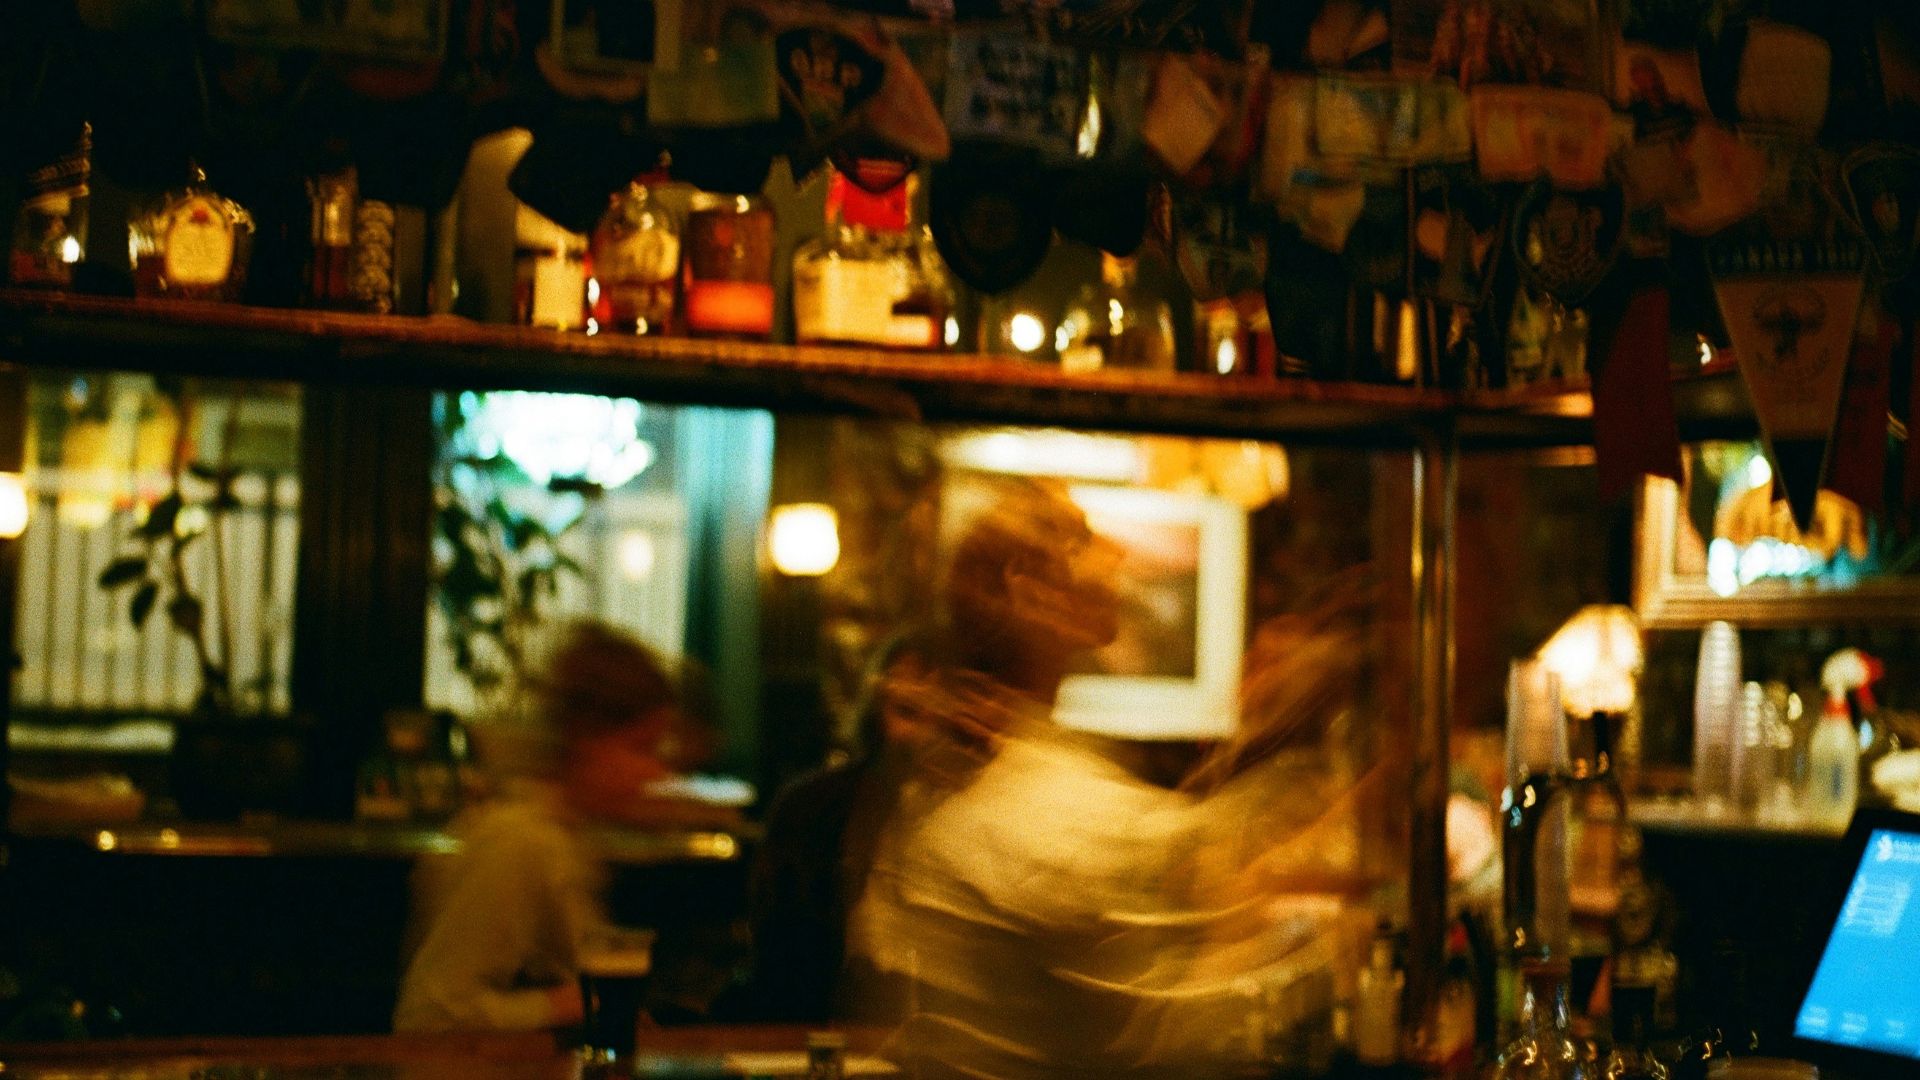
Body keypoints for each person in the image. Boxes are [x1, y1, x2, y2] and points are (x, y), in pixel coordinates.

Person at [844, 477, 1374, 1079]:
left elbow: (1169, 863)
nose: (1117, 555)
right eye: (1084, 541)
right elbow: (1172, 1023)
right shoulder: (1027, 797)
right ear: (1028, 589)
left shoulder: (1023, 770)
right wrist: (1333, 941)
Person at [393, 621, 681, 1033]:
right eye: (642, 748)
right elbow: (428, 1017)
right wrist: (569, 1006)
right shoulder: (518, 842)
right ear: (586, 738)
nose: (655, 773)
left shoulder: (562, 837)